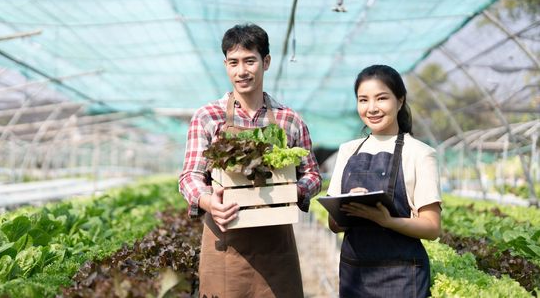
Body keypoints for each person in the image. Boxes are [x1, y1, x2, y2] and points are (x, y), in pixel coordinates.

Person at [179, 23, 322, 298]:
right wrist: (209, 202)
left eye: (249, 61)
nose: (241, 71)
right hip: (226, 244)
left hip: (276, 248)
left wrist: (296, 190)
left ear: (265, 62)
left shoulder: (289, 120)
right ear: (225, 65)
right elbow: (189, 177)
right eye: (233, 62)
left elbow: (313, 174)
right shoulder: (207, 117)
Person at [326, 64, 441, 297]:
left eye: (381, 98)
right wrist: (347, 207)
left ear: (400, 101)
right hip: (354, 274)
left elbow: (432, 227)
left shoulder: (420, 153)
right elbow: (334, 225)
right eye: (363, 100)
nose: (372, 108)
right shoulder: (348, 151)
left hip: (402, 277)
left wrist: (387, 220)